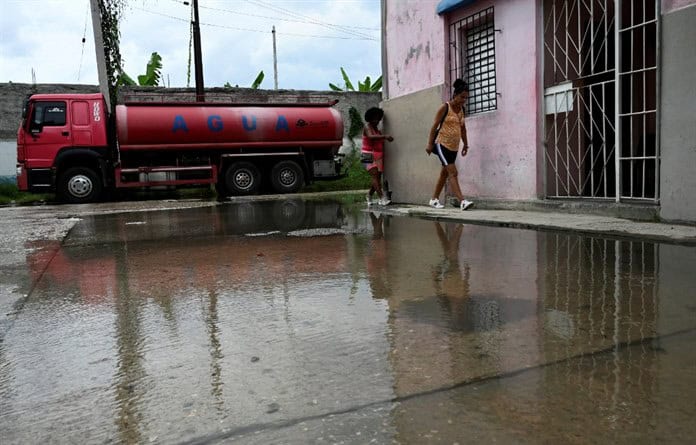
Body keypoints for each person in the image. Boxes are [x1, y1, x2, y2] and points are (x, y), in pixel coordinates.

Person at [425, 79, 474, 210]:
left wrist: (466, 144)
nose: (464, 100)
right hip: (442, 144)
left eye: (466, 98)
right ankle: (462, 201)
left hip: (454, 147)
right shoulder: (445, 107)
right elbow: (435, 126)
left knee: (444, 174)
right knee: (453, 172)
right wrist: (430, 144)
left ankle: (434, 199)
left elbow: (463, 129)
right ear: (455, 95)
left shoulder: (462, 109)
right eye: (462, 97)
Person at [361, 107, 394, 206]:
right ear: (369, 118)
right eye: (374, 118)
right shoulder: (367, 127)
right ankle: (382, 198)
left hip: (378, 155)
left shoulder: (378, 130)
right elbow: (371, 137)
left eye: (378, 118)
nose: (377, 121)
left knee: (377, 178)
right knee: (374, 176)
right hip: (367, 154)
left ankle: (369, 195)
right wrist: (385, 136)